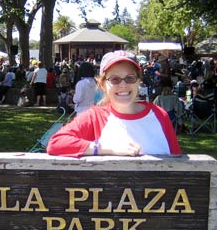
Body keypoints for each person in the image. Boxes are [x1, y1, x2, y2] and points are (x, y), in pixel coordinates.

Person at [47, 50, 181, 158]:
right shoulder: (95, 117)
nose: (123, 85)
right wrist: (105, 148)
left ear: (138, 81)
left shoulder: (159, 115)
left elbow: (178, 163)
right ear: (103, 84)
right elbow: (56, 143)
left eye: (130, 78)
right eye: (115, 79)